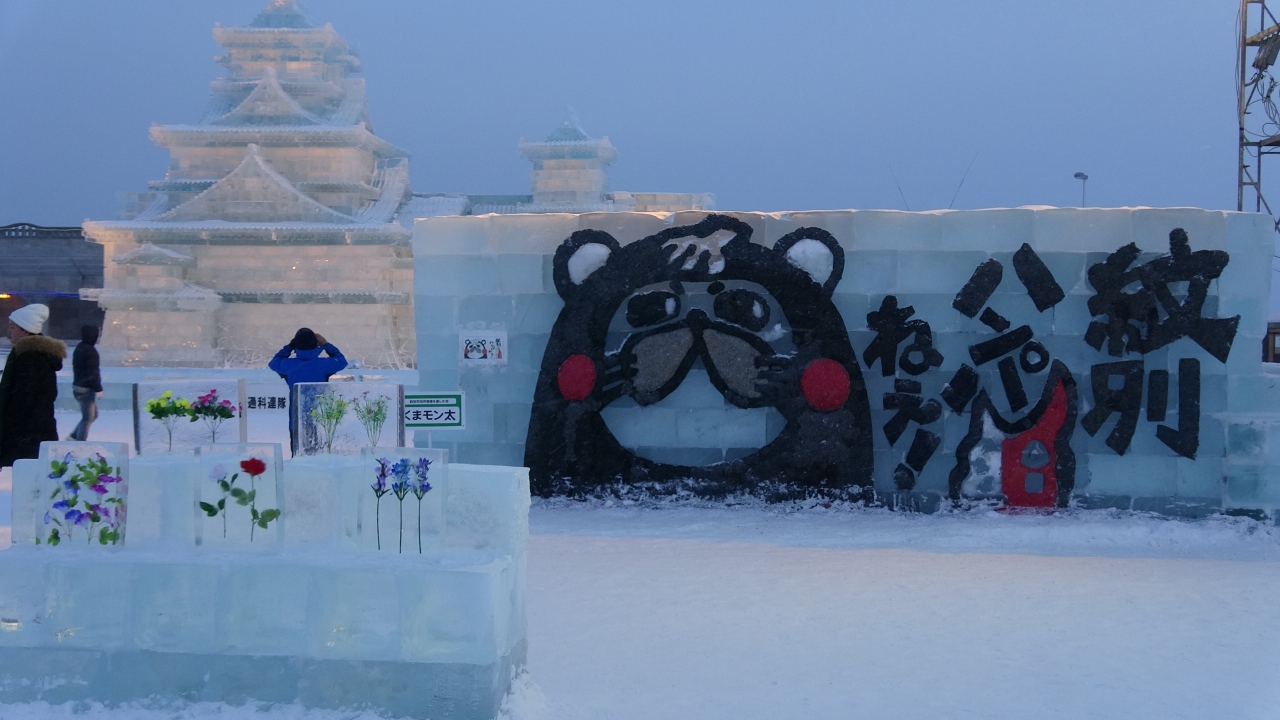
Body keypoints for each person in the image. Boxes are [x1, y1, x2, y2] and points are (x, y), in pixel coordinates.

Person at [0, 304, 66, 467]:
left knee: (27, 480)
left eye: (12, 327)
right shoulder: (34, 355)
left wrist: (7, 423)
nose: (8, 332)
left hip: (26, 435)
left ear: (25, 330)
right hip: (34, 432)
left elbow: (24, 398)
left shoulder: (30, 358)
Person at [268, 328, 347, 452]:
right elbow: (341, 361)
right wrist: (326, 345)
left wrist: (289, 346)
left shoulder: (288, 365)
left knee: (298, 455)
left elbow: (274, 362)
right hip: (320, 417)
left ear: (296, 344)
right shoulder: (324, 365)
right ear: (316, 344)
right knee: (317, 455)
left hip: (296, 417)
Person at [69, 325, 103, 441]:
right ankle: (79, 442)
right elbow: (93, 373)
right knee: (88, 417)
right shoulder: (91, 352)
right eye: (98, 335)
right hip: (86, 389)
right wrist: (98, 389)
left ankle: (74, 436)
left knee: (93, 415)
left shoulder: (80, 347)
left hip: (78, 387)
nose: (99, 337)